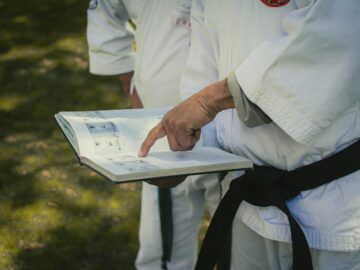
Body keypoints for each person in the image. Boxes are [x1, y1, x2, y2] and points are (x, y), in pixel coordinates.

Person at [140, 0, 360, 269]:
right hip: (251, 205)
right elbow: (205, 66)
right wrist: (186, 153)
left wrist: (210, 100)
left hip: (336, 211)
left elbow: (339, 32)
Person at [87, 1, 223, 269]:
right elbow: (106, 9)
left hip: (234, 133)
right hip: (160, 131)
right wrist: (131, 85)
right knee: (161, 254)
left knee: (240, 251)